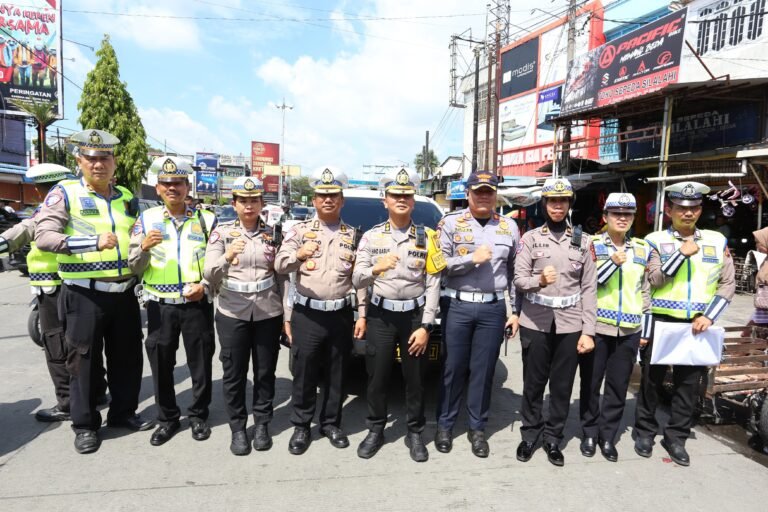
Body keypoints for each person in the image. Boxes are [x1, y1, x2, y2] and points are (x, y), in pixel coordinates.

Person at [35, 129, 152, 454]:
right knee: (82, 361)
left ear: (114, 162)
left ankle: (123, 413)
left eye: (105, 158)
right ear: (79, 161)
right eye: (92, 158)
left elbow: (138, 240)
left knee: (127, 357)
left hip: (124, 292)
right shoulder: (65, 193)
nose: (98, 164)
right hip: (83, 294)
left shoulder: (127, 197)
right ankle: (85, 425)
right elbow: (44, 235)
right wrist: (91, 242)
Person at [633, 181, 735, 467]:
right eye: (681, 208)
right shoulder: (654, 241)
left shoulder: (717, 241)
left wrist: (709, 316)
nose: (687, 214)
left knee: (688, 385)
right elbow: (652, 281)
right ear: (669, 210)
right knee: (651, 382)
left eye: (693, 209)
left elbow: (728, 284)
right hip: (661, 321)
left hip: (698, 325)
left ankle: (676, 436)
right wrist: (681, 254)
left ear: (700, 210)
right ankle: (645, 431)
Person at [0, 163, 108, 422]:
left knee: (58, 345)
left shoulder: (51, 209)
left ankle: (68, 402)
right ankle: (96, 391)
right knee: (84, 344)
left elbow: (22, 231)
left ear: (39, 190)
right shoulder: (80, 208)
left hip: (55, 286)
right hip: (79, 285)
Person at [352, 168, 444, 462]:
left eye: (407, 195)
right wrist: (375, 270)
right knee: (376, 377)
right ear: (386, 200)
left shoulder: (428, 237)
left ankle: (415, 432)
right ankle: (376, 429)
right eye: (395, 195)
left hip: (414, 318)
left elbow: (433, 283)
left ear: (413, 200)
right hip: (381, 315)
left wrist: (426, 326)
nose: (401, 199)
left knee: (414, 379)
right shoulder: (371, 236)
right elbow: (356, 279)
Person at [275, 166, 366, 455]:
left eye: (333, 195)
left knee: (337, 372)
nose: (328, 200)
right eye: (322, 195)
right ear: (314, 200)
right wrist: (297, 256)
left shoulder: (353, 235)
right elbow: (279, 266)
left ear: (342, 201)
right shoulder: (299, 231)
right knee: (305, 371)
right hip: (308, 314)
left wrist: (362, 312)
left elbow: (359, 278)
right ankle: (302, 426)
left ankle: (330, 423)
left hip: (340, 314)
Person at [128, 157, 217, 446]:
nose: (172, 188)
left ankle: (198, 415)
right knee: (161, 364)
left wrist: (204, 287)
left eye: (177, 183)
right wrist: (143, 247)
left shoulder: (206, 220)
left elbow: (219, 266)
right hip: (159, 305)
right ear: (157, 188)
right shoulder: (146, 220)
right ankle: (167, 418)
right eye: (166, 184)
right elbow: (133, 265)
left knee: (201, 363)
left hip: (196, 304)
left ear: (187, 186)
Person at [434, 171, 520, 458]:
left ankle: (477, 429)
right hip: (457, 305)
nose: (483, 196)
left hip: (493, 309)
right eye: (478, 191)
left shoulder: (509, 227)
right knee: (453, 368)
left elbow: (514, 273)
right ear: (468, 193)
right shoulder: (449, 223)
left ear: (495, 195)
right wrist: (471, 259)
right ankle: (444, 426)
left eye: (489, 191)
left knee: (483, 372)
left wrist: (515, 310)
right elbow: (439, 265)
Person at [514, 177, 597, 467]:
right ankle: (530, 434)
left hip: (570, 323)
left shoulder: (583, 241)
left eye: (562, 201)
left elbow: (589, 289)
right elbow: (519, 280)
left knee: (562, 386)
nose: (557, 206)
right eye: (552, 201)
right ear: (545, 204)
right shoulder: (530, 239)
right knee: (533, 383)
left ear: (569, 204)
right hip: (535, 321)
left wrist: (589, 331)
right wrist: (540, 280)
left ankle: (553, 438)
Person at [204, 176, 289, 455]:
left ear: (262, 204)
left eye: (254, 200)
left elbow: (282, 278)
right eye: (243, 201)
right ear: (235, 204)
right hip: (232, 311)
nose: (249, 206)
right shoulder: (222, 233)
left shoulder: (273, 233)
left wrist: (287, 316)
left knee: (265, 372)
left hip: (267, 311)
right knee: (234, 373)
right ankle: (238, 428)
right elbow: (208, 273)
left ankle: (262, 423)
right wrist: (227, 256)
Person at [578, 193, 650, 462]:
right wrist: (612, 263)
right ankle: (588, 432)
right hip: (597, 327)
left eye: (628, 215)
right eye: (616, 214)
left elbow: (645, 291)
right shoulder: (591, 245)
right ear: (605, 217)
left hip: (629, 330)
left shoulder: (642, 249)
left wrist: (645, 328)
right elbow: (586, 285)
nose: (622, 219)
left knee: (618, 387)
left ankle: (608, 437)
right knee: (591, 384)